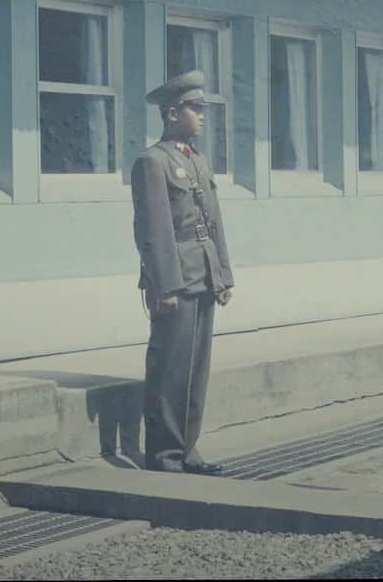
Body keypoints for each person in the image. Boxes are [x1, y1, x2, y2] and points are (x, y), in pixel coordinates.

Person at [130, 69, 234, 475]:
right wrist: (165, 285)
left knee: (196, 370)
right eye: (196, 108)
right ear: (173, 113)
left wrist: (223, 275)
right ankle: (164, 455)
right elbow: (153, 230)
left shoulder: (196, 161)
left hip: (204, 275)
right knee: (169, 368)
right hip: (176, 280)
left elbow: (214, 222)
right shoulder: (152, 162)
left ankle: (188, 450)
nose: (203, 115)